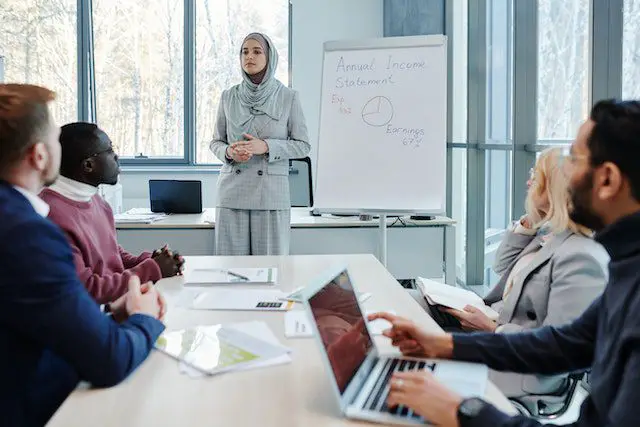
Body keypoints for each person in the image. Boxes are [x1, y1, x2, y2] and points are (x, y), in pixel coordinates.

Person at [369, 99, 640, 427]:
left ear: (608, 179)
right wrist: (444, 344)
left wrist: (463, 412)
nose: (564, 174)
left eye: (573, 159)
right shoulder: (626, 265)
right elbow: (563, 343)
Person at [0, 84, 166, 427]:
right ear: (40, 156)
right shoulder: (28, 235)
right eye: (53, 137)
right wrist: (145, 317)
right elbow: (109, 360)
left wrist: (103, 319)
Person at [412, 148, 608, 397]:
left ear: (553, 191)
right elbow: (502, 265)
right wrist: (531, 220)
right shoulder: (551, 234)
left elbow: (558, 347)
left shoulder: (581, 256)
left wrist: (493, 328)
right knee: (409, 303)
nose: (529, 182)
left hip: (520, 370)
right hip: (496, 335)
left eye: (536, 177)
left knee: (409, 362)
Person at [39, 122, 183, 304]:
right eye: (109, 150)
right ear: (88, 165)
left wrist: (150, 260)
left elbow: (113, 256)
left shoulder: (98, 202)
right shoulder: (51, 215)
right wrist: (152, 269)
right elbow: (87, 289)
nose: (116, 156)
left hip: (110, 310)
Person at [210, 32, 311, 256]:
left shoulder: (288, 97)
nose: (249, 57)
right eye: (244, 52)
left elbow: (303, 145)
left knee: (271, 274)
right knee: (230, 274)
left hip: (270, 196)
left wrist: (267, 146)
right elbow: (216, 141)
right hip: (231, 194)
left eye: (257, 51)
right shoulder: (228, 96)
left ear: (270, 57)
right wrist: (228, 151)